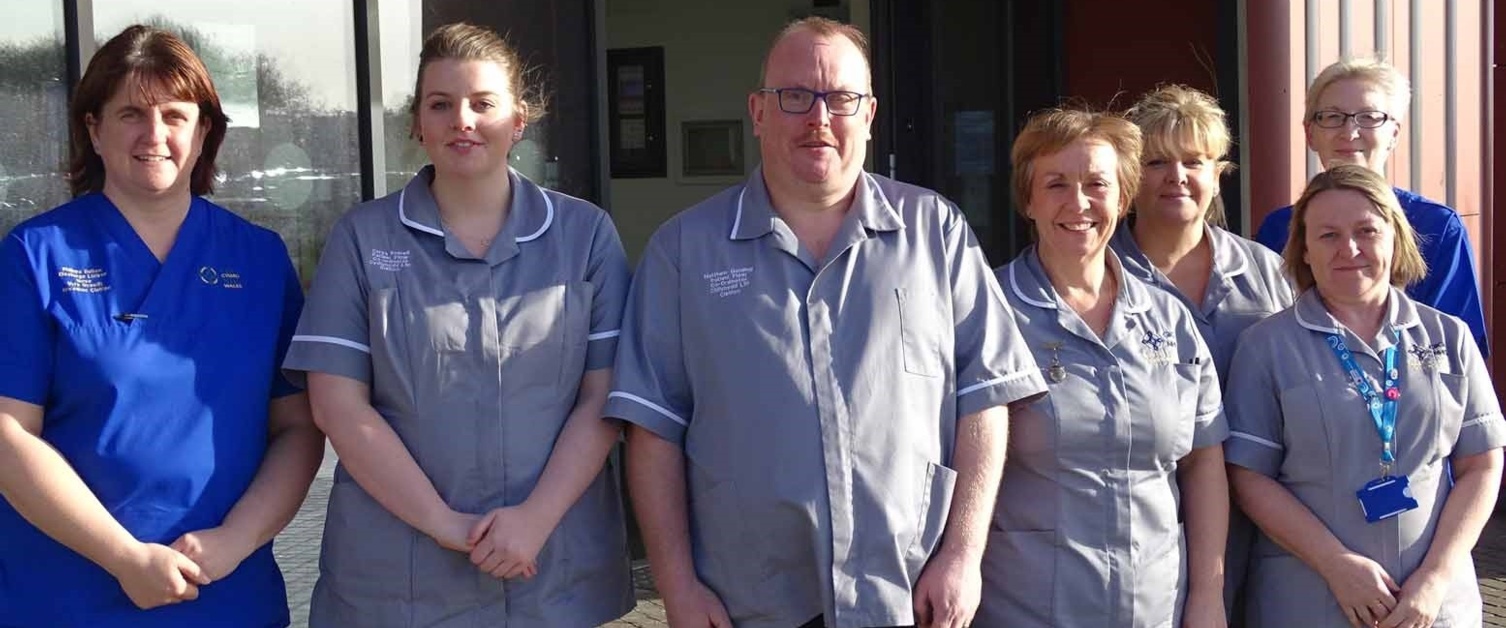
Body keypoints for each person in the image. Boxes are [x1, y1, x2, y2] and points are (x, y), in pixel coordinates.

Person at [605, 16, 1046, 628]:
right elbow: (653, 431)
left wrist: (964, 556)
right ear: (758, 113)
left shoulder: (935, 233)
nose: (818, 117)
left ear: (868, 114)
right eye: (794, 97)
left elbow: (985, 400)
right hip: (749, 604)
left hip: (909, 595)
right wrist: (676, 586)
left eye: (841, 98)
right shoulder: (684, 252)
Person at [281, 23, 634, 627]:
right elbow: (339, 407)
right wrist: (446, 526)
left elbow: (602, 400)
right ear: (417, 123)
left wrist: (534, 521)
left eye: (483, 103)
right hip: (400, 577)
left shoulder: (586, 237)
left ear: (518, 121)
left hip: (551, 568)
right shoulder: (362, 239)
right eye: (440, 105)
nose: (461, 120)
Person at [0, 25, 323, 626]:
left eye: (176, 115)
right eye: (130, 114)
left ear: (204, 134)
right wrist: (122, 556)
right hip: (68, 596)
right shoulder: (35, 256)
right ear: (93, 129)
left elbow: (298, 427)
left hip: (227, 593)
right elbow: (9, 435)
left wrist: (235, 539)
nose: (155, 135)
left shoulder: (258, 259)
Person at [979, 107, 1229, 628]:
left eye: (1097, 183)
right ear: (1028, 199)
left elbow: (1203, 462)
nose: (1079, 203)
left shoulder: (1168, 318)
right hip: (1025, 609)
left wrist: (1208, 597)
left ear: (1123, 195)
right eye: (1055, 185)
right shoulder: (987, 313)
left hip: (1155, 609)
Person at [1226, 164, 1504, 627]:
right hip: (1310, 600)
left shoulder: (1449, 337)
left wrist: (1434, 579)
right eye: (1328, 235)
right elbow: (1249, 477)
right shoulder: (1266, 347)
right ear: (1305, 250)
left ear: (1395, 238)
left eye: (1366, 231)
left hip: (1433, 607)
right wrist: (1336, 564)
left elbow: (1482, 464)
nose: (1349, 249)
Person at [1111, 84, 1295, 622]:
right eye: (1156, 161)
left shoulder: (1268, 273)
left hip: (1260, 517)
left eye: (1194, 160)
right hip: (1148, 518)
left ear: (1220, 171)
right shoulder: (1100, 273)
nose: (1177, 177)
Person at [1252, 58, 1487, 357]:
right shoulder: (1278, 229)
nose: (1349, 132)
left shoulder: (1437, 227)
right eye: (1332, 117)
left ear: (1394, 134)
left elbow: (1459, 354)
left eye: (1369, 117)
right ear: (1310, 133)